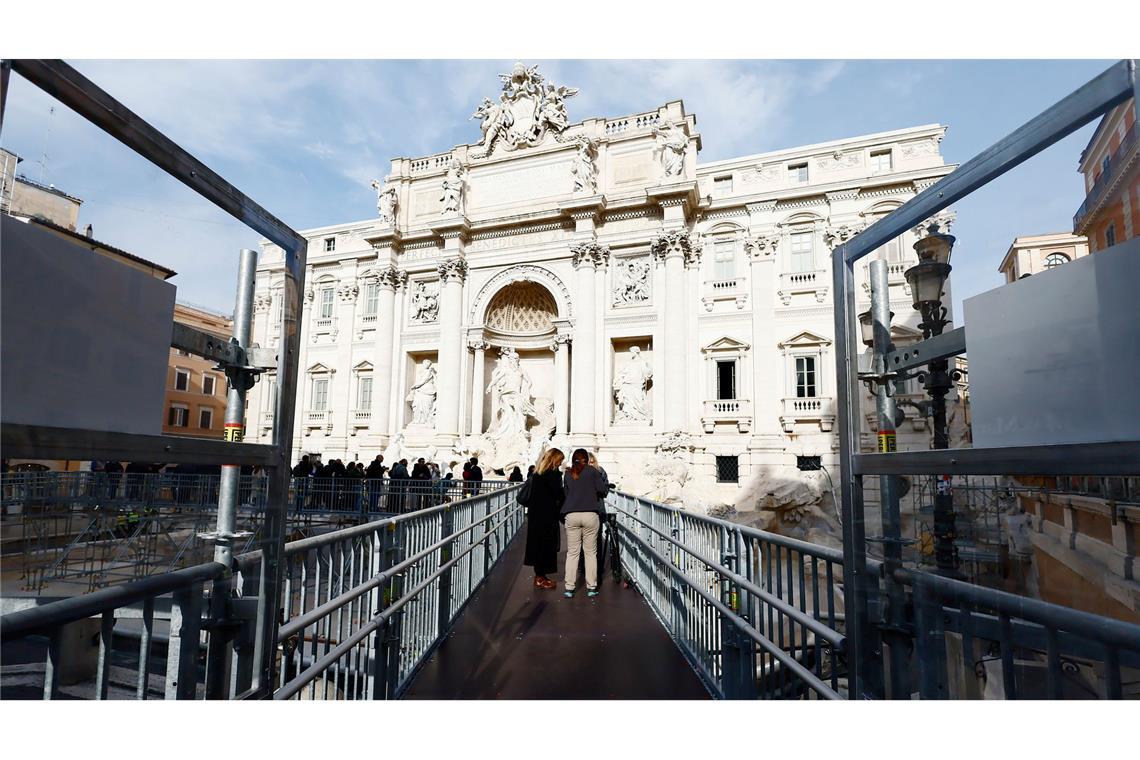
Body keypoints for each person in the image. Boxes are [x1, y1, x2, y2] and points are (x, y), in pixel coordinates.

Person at [560, 448, 609, 598]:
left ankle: (569, 587)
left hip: (571, 514)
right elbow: (603, 490)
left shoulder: (568, 473)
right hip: (590, 514)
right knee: (590, 552)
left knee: (573, 552)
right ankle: (591, 587)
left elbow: (567, 494)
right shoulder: (593, 472)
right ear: (586, 460)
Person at [525, 448, 564, 590]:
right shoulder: (552, 475)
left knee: (538, 545)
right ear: (554, 459)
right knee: (546, 545)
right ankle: (540, 577)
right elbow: (558, 494)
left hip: (536, 515)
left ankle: (540, 575)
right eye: (560, 460)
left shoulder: (537, 474)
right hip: (547, 516)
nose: (560, 464)